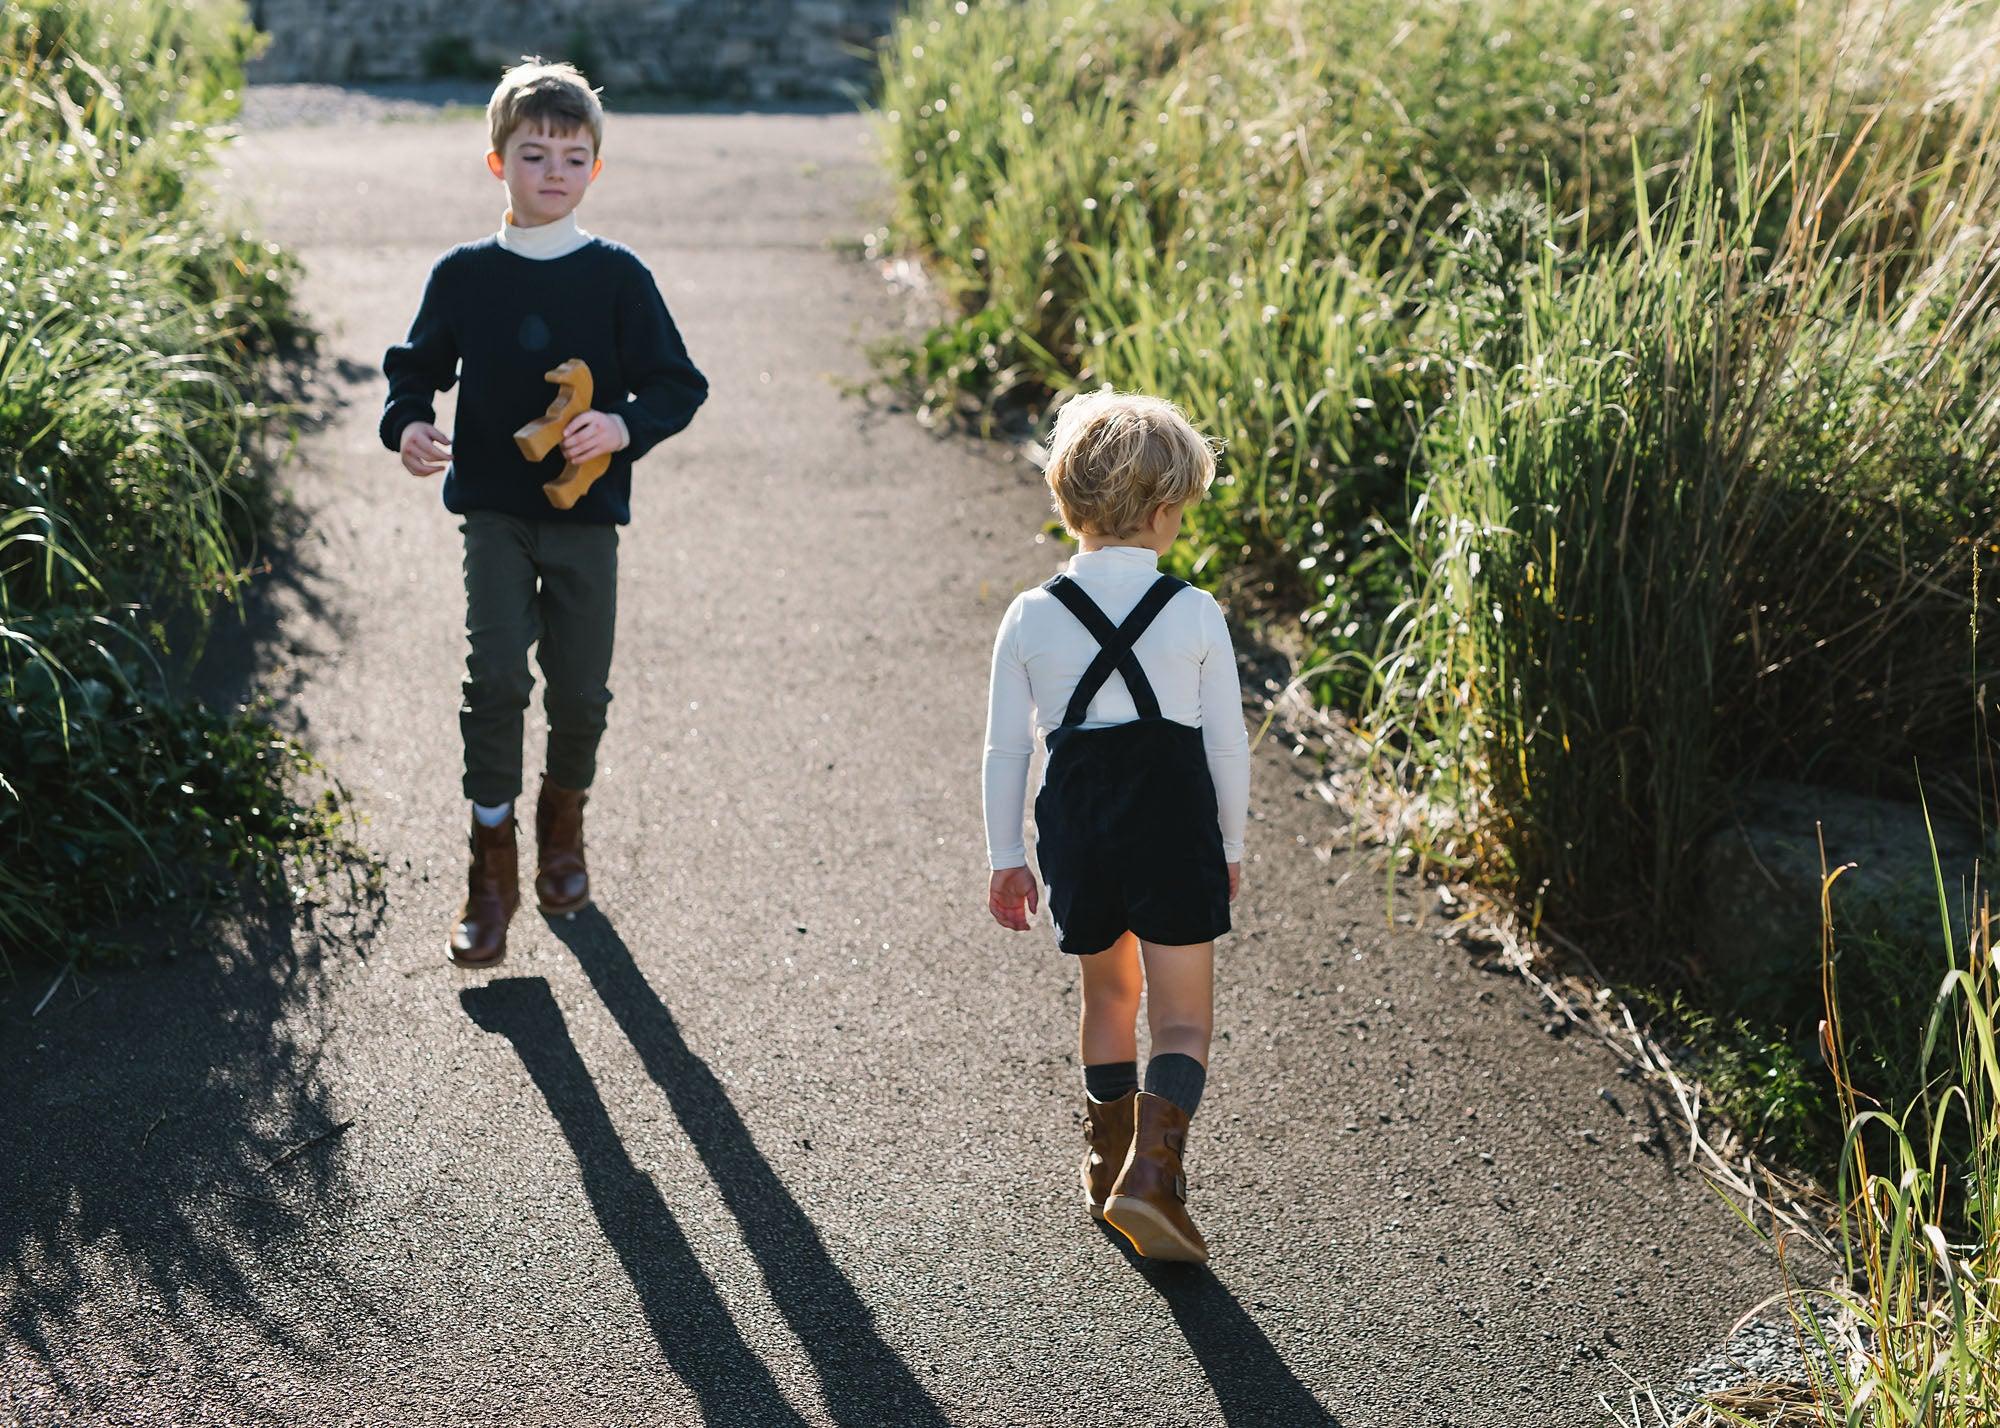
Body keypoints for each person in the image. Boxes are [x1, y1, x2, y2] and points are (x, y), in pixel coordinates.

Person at [379, 59, 708, 967]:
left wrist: (623, 425)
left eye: (573, 157)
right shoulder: (464, 275)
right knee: (494, 680)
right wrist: (408, 423)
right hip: (494, 511)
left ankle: (563, 828)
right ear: (499, 163)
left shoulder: (617, 277)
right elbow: (414, 368)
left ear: (595, 168)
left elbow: (678, 384)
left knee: (579, 693)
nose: (553, 171)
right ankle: (491, 867)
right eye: (534, 154)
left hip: (586, 520)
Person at [982, 390, 1250, 1262]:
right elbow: (1227, 748)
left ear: (1069, 502)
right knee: (1182, 1023)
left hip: (1079, 827)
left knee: (1108, 997)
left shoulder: (1030, 615)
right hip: (1173, 828)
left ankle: (1106, 1166)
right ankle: (1153, 1179)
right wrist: (1231, 846)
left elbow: (1005, 751)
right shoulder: (1195, 612)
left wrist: (1006, 857)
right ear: (1167, 511)